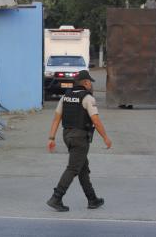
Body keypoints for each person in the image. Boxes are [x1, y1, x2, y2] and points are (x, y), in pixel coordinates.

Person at [46, 70, 112, 212]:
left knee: (82, 167)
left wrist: (51, 138)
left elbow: (57, 118)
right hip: (80, 137)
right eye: (90, 83)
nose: (91, 86)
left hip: (67, 135)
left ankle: (92, 199)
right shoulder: (87, 98)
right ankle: (56, 197)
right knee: (73, 168)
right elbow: (96, 120)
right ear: (86, 83)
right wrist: (105, 137)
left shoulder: (65, 97)